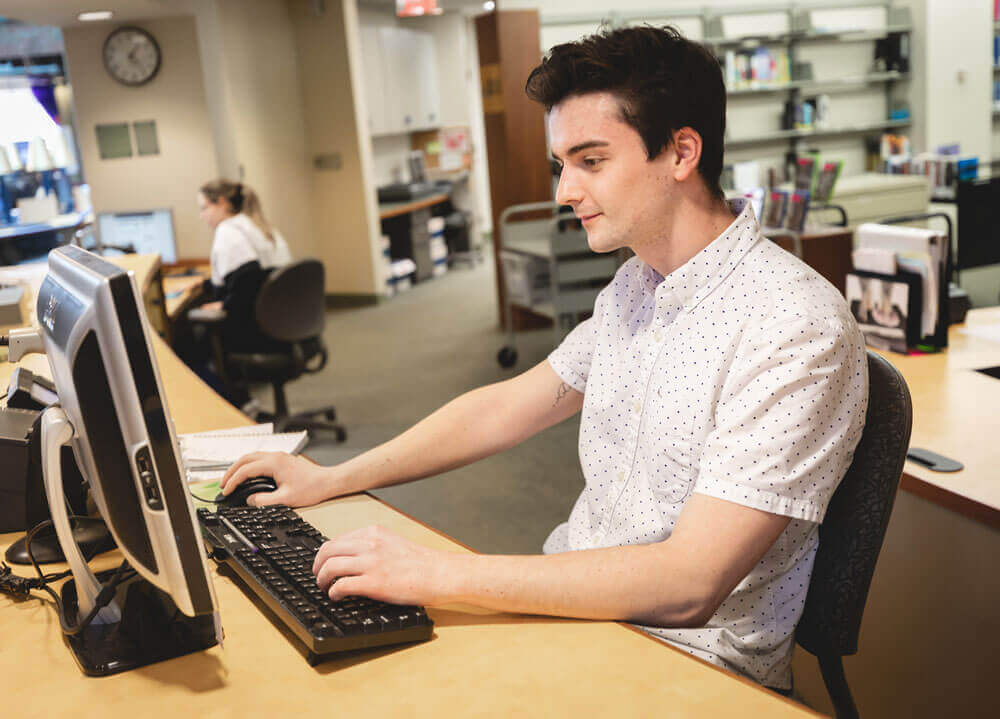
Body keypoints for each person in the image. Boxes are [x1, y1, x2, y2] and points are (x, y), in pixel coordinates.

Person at [220, 26, 868, 691]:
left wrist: (440, 574)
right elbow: (506, 407)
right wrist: (331, 478)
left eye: (591, 161)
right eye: (563, 164)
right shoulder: (635, 286)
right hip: (575, 617)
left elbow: (688, 583)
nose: (564, 191)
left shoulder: (793, 324)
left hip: (686, 667)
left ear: (681, 152)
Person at [180, 179, 292, 405]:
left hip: (257, 335)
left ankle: (234, 406)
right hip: (287, 327)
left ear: (222, 203)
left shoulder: (228, 232)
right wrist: (206, 287)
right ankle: (240, 401)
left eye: (204, 208)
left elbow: (247, 284)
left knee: (183, 345)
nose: (202, 216)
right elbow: (257, 278)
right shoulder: (260, 226)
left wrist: (224, 305)